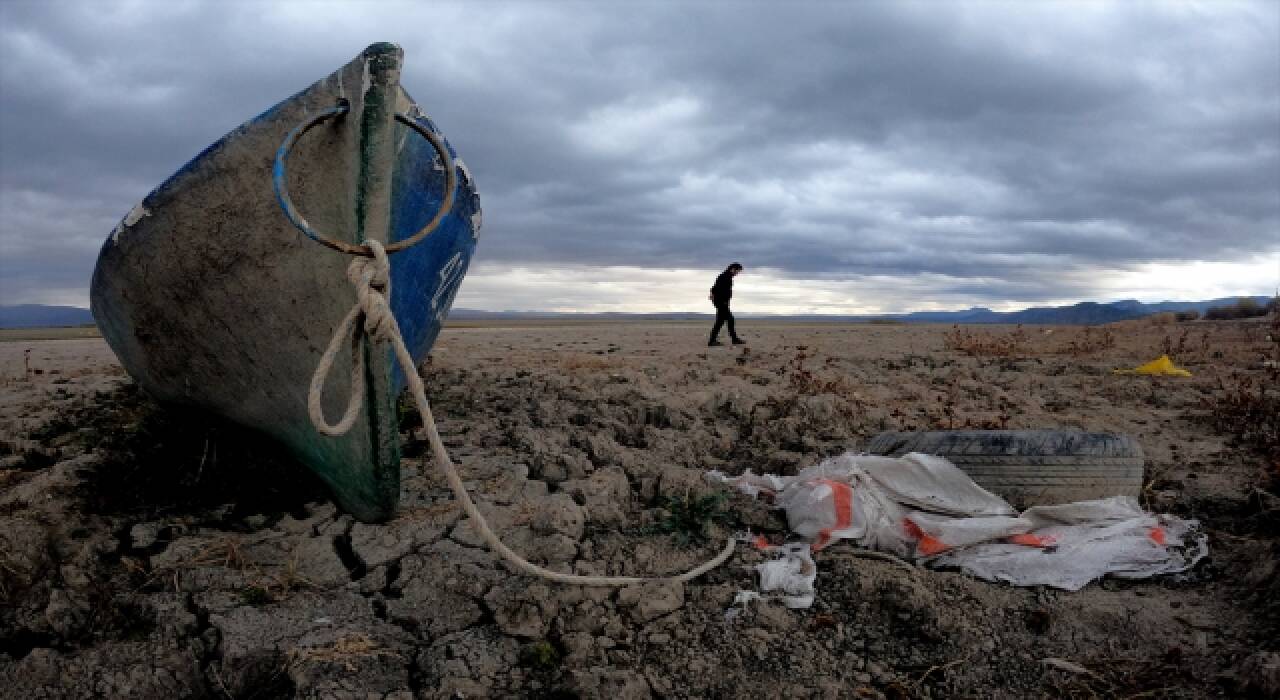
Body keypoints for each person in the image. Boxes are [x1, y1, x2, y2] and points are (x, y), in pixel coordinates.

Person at [708, 262, 745, 346]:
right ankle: (733, 339)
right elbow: (716, 289)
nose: (737, 273)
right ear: (733, 269)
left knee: (720, 321)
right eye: (737, 271)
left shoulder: (726, 276)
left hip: (721, 302)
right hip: (721, 302)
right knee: (729, 320)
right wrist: (719, 300)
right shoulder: (725, 276)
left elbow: (714, 288)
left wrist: (713, 295)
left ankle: (713, 340)